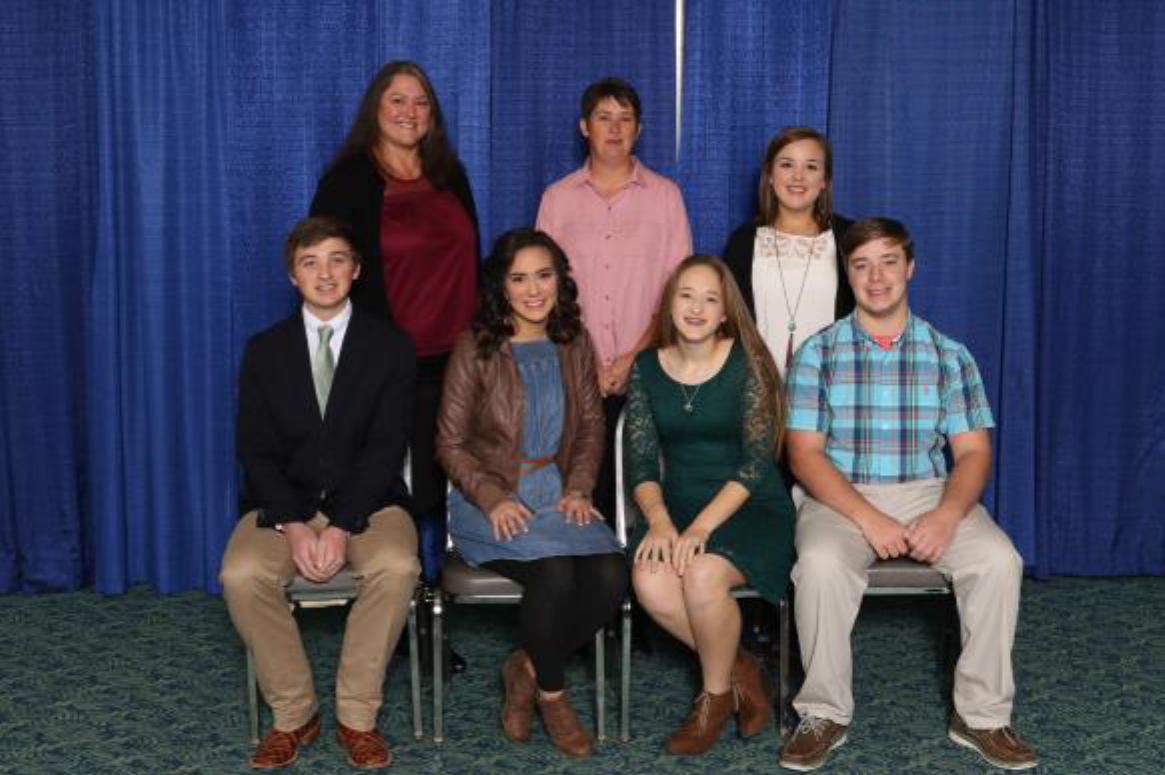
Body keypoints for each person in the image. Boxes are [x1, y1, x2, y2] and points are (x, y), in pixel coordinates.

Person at [779, 218, 1037, 772]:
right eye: (862, 264)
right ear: (847, 274)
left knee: (998, 560)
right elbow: (805, 455)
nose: (877, 277)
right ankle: (823, 713)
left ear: (910, 267)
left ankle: (982, 715)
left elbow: (973, 455)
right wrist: (868, 518)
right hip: (839, 495)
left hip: (928, 492)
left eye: (889, 261)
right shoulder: (816, 354)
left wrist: (946, 515)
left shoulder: (950, 354)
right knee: (821, 564)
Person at [221, 217, 420, 770]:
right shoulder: (265, 350)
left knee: (397, 566)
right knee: (241, 574)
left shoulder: (391, 347)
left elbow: (387, 447)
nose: (324, 273)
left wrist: (340, 522)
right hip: (284, 506)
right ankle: (295, 714)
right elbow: (253, 448)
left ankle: (356, 717)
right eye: (310, 262)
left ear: (356, 270)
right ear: (292, 276)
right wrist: (295, 521)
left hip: (372, 502)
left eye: (337, 259)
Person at [436, 228, 627, 758]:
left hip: (559, 490)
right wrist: (492, 497)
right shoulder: (476, 347)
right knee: (555, 574)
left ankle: (524, 664)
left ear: (560, 281)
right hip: (491, 495)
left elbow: (591, 425)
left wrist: (581, 486)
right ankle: (553, 694)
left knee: (612, 574)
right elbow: (449, 444)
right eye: (519, 278)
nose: (534, 289)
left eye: (544, 275)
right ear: (501, 285)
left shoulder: (574, 342)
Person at [310, 60, 479, 586]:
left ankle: (437, 601)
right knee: (395, 488)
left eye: (421, 102)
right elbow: (325, 267)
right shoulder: (349, 180)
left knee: (449, 483)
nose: (410, 111)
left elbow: (471, 260)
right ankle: (403, 605)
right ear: (375, 111)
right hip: (387, 362)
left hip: (458, 357)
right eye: (397, 100)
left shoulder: (450, 175)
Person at [624, 255, 796, 755]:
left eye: (710, 298)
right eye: (686, 295)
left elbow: (756, 462)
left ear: (725, 312)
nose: (696, 307)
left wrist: (698, 529)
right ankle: (742, 667)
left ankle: (714, 698)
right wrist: (658, 521)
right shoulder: (646, 367)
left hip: (751, 508)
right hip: (675, 507)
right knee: (650, 580)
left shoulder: (751, 363)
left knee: (700, 575)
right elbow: (640, 463)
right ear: (669, 303)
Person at [536, 76, 692, 526]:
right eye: (604, 117)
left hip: (648, 366)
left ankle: (644, 582)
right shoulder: (557, 198)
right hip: (573, 367)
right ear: (585, 126)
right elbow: (544, 292)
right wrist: (587, 358)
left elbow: (676, 292)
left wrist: (632, 356)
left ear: (638, 130)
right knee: (584, 489)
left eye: (625, 119)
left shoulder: (666, 197)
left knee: (645, 485)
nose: (615, 128)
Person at [722, 127, 854, 376]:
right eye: (786, 165)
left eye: (811, 167)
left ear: (824, 180)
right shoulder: (743, 241)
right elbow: (728, 322)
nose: (798, 177)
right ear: (770, 175)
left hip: (832, 390)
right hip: (758, 392)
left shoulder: (850, 239)